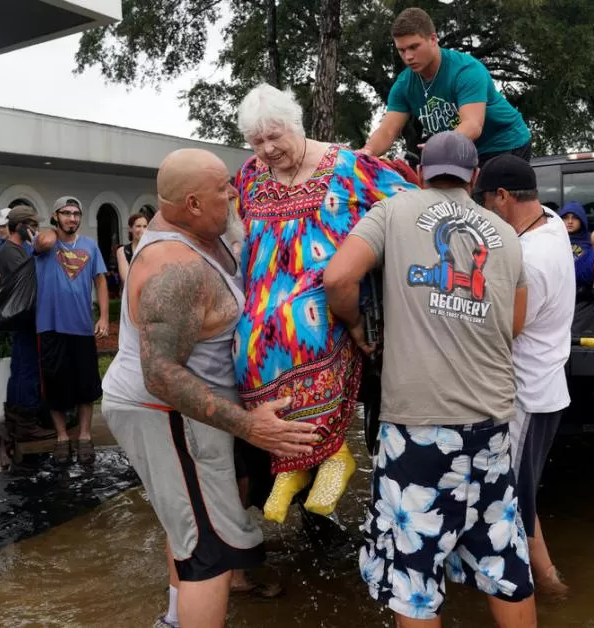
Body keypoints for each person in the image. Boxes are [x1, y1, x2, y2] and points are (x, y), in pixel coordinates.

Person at [324, 131, 536, 627]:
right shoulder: (503, 232)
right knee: (503, 559)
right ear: (475, 178)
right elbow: (514, 324)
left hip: (417, 429)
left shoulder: (393, 211)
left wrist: (357, 325)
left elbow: (337, 278)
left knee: (415, 576)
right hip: (491, 424)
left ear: (419, 170)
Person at [102, 148, 318, 628]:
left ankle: (176, 620)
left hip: (187, 410)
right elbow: (162, 375)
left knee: (189, 523)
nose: (234, 195)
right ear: (193, 204)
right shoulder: (174, 270)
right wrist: (251, 427)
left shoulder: (205, 231)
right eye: (224, 189)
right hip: (165, 411)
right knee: (210, 549)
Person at [232, 83, 413, 523]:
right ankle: (293, 463)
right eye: (258, 141)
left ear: (296, 125)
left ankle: (333, 453)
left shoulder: (348, 166)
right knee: (245, 346)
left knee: (302, 329)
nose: (267, 149)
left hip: (320, 284)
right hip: (264, 290)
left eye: (275, 136)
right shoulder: (250, 174)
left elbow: (406, 206)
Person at [477, 154, 575, 599]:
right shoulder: (549, 220)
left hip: (527, 396)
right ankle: (549, 582)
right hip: (547, 384)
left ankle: (543, 588)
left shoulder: (530, 261)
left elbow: (505, 330)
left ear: (502, 196)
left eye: (486, 201)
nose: (483, 211)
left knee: (511, 499)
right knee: (520, 492)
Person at [361, 7, 531, 165]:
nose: (408, 56)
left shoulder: (466, 70)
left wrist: (439, 146)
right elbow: (387, 131)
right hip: (460, 151)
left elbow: (472, 125)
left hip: (505, 144)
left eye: (414, 47)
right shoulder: (403, 85)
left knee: (487, 196)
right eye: (402, 50)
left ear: (433, 39)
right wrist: (365, 153)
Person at [33, 196, 110, 464]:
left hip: (81, 327)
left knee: (85, 385)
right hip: (50, 327)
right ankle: (63, 437)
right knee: (54, 385)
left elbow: (100, 281)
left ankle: (85, 436)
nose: (72, 218)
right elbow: (42, 242)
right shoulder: (47, 243)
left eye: (76, 213)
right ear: (55, 215)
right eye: (66, 213)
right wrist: (53, 231)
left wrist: (103, 317)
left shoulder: (90, 245)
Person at [0, 205, 54, 442]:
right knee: (26, 369)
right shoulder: (11, 251)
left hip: (26, 317)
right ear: (20, 226)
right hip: (23, 318)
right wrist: (37, 251)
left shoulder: (15, 249)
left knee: (20, 368)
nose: (35, 230)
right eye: (31, 225)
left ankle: (16, 420)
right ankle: (26, 422)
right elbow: (31, 276)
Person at [558, 200, 594, 298]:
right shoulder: (554, 239)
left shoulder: (591, 240)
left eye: (575, 218)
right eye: (565, 218)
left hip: (584, 287)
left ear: (582, 220)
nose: (570, 222)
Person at [116, 213, 149, 285]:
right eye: (138, 226)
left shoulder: (153, 249)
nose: (142, 230)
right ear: (130, 229)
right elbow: (127, 280)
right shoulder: (122, 251)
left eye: (145, 226)